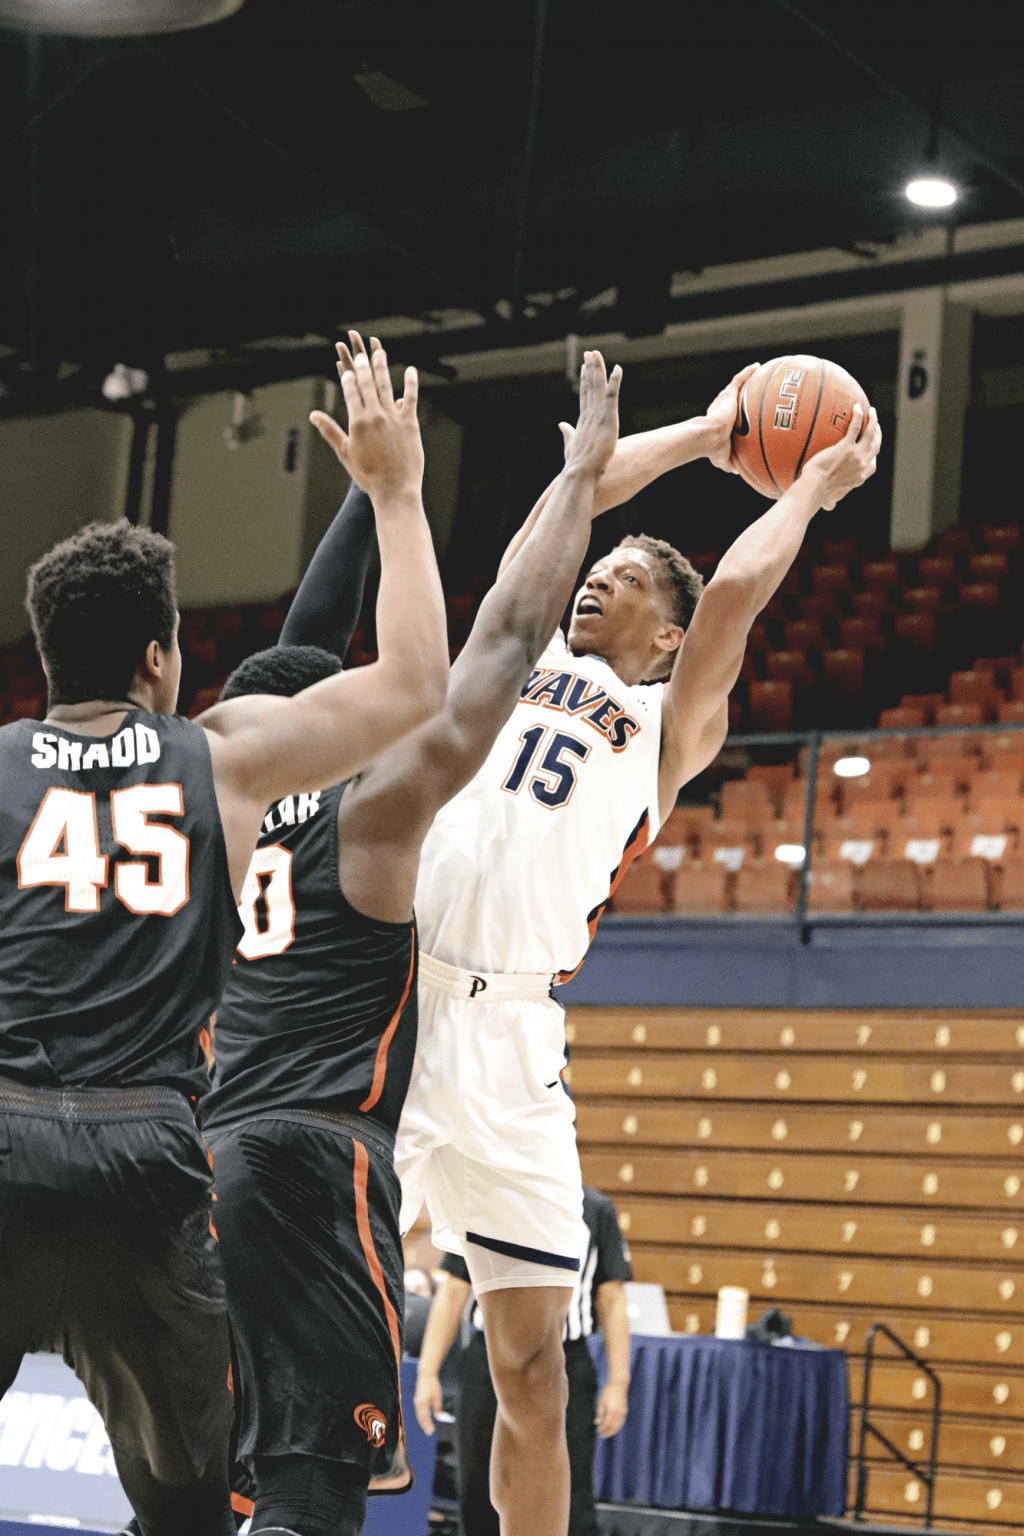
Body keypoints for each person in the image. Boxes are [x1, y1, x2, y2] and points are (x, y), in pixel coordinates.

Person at [395, 380, 882, 1536]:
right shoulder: (514, 654)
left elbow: (740, 600)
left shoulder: (671, 727)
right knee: (314, 1293)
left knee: (531, 1369)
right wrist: (716, 436)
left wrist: (809, 488)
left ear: (666, 632)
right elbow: (575, 494)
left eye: (629, 576)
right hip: (398, 996)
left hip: (516, 1040)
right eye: (596, 566)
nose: (598, 575)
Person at [0, 339, 448, 1536]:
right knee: (194, 1513)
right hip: (150, 1167)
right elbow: (414, 681)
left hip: (5, 1145)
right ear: (160, 659)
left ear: (47, 658)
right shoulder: (227, 758)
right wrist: (394, 495)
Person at [196, 339, 623, 1536]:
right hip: (314, 1154)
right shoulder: (374, 815)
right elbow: (484, 657)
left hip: (204, 1151)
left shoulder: (207, 807)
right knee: (315, 1488)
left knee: (214, 1482)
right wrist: (559, 482)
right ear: (331, 732)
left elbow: (303, 639)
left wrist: (363, 487)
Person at [414, 1186, 632, 1536]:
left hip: (564, 1361)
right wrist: (426, 1372)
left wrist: (619, 1384)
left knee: (568, 1491)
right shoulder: (489, 1200)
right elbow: (454, 1290)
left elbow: (612, 1299)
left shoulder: (595, 1209)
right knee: (477, 1486)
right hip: (488, 1358)